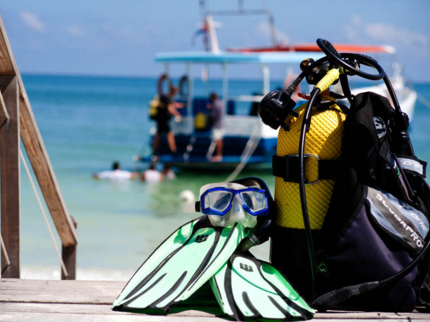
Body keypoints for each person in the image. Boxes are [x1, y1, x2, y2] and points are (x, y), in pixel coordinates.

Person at [152, 86, 184, 155]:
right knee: (170, 134)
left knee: (158, 135)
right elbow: (170, 108)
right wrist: (179, 115)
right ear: (174, 91)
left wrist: (182, 105)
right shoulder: (168, 98)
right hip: (163, 120)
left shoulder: (166, 97)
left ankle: (154, 150)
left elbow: (173, 104)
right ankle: (173, 150)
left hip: (160, 120)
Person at [207, 92, 224, 162]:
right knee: (219, 140)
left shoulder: (215, 104)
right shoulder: (221, 103)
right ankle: (218, 155)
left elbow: (214, 115)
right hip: (221, 124)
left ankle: (218, 156)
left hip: (217, 125)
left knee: (218, 140)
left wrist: (208, 116)